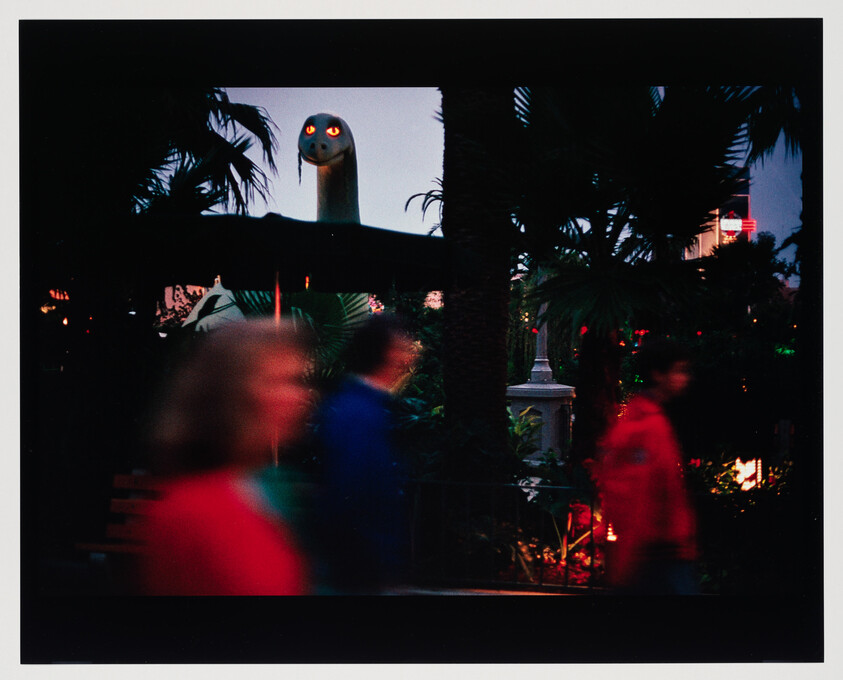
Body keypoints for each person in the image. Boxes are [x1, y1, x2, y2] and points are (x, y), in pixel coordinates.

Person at [135, 318, 316, 596]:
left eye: (297, 380)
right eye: (281, 381)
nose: (300, 395)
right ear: (235, 393)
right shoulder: (191, 513)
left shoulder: (263, 487)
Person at [312, 313, 418, 594]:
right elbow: (355, 490)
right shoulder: (361, 413)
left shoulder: (359, 406)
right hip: (362, 567)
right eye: (403, 348)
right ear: (388, 353)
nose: (408, 358)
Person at [592, 338, 699, 595]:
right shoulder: (649, 426)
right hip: (660, 549)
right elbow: (642, 491)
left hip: (656, 549)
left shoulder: (644, 420)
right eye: (678, 370)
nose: (684, 378)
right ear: (658, 374)